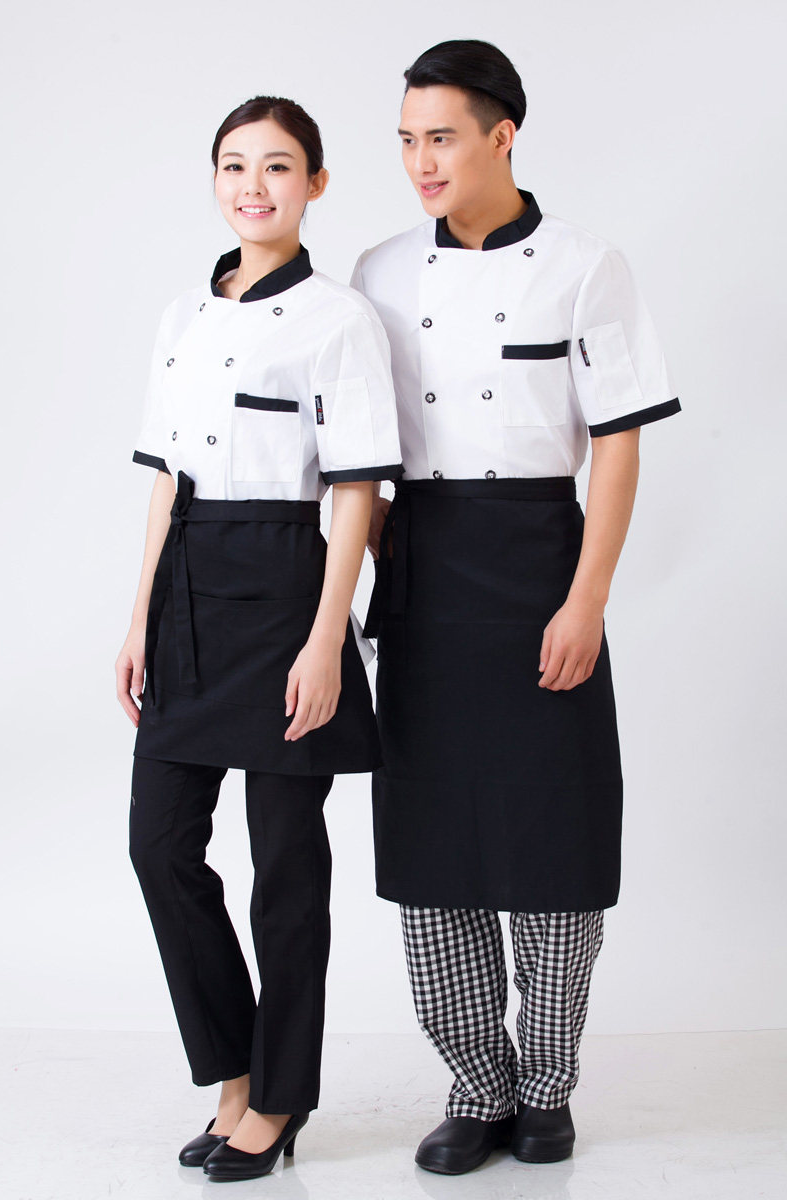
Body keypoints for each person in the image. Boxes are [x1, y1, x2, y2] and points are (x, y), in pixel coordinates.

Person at [352, 40, 680, 1175]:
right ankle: (475, 1085)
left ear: (502, 136)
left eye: (441, 137)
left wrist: (586, 599)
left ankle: (545, 1087)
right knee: (431, 847)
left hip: (542, 560)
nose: (420, 161)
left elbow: (617, 444)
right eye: (406, 140)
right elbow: (360, 453)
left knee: (554, 843)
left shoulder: (585, 268)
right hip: (423, 571)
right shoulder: (378, 271)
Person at [115, 95, 402, 1183]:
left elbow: (357, 489)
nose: (253, 185)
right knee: (159, 847)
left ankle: (279, 1101)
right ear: (215, 180)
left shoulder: (339, 319)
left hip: (288, 587)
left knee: (285, 869)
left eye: (277, 166)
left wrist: (329, 640)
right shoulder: (183, 315)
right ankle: (232, 1074)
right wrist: (138, 616)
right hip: (187, 588)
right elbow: (165, 478)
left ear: (315, 184)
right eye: (234, 165)